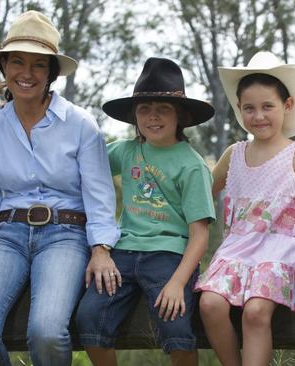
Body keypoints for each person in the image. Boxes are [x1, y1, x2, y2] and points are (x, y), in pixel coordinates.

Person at [0, 10, 120, 366]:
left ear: (51, 73)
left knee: (46, 331)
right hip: (5, 234)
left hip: (66, 234)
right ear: (4, 67)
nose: (26, 74)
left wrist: (101, 248)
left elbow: (99, 194)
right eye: (17, 62)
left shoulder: (80, 124)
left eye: (38, 65)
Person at [194, 51, 295, 366]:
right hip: (238, 249)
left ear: (287, 106)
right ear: (240, 110)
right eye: (249, 108)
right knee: (210, 305)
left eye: (267, 106)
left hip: (282, 251)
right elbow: (201, 194)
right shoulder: (235, 153)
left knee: (256, 310)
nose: (258, 116)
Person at [74, 57, 216, 366]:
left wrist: (178, 282)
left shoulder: (192, 166)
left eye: (163, 108)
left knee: (176, 326)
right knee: (88, 318)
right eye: (144, 109)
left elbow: (200, 234)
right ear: (134, 116)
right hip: (122, 251)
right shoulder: (125, 151)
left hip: (169, 255)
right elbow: (80, 163)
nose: (153, 116)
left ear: (181, 115)